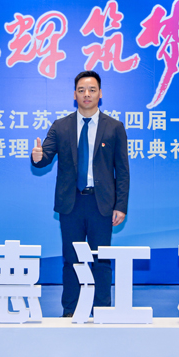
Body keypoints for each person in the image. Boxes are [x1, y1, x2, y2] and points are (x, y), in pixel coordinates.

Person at [31, 70, 130, 317]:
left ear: (100, 94)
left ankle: (102, 309)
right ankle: (70, 310)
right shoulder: (61, 126)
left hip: (101, 204)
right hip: (71, 204)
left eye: (92, 90)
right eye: (82, 90)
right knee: (71, 259)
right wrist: (38, 157)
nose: (87, 94)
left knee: (101, 260)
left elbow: (122, 171)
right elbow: (44, 158)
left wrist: (121, 205)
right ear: (74, 94)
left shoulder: (114, 127)